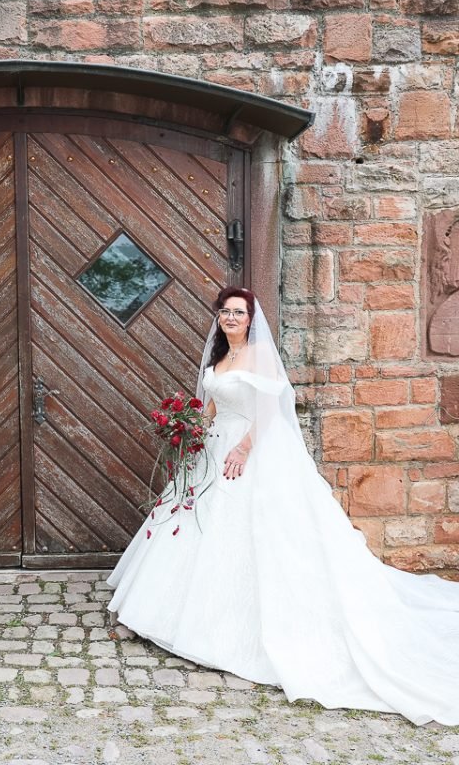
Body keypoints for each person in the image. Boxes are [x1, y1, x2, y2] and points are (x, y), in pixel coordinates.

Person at [108, 286, 459, 726]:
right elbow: (213, 405)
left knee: (249, 533)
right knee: (195, 526)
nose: (231, 318)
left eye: (239, 312)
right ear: (218, 318)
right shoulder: (218, 360)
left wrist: (243, 449)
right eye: (226, 312)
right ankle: (160, 614)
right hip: (213, 451)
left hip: (248, 454)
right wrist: (190, 427)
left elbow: (270, 410)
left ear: (252, 320)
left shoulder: (258, 358)